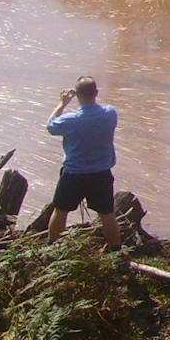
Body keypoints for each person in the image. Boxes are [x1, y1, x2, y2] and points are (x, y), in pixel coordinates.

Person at [46, 76, 121, 249]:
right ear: (96, 93)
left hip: (74, 173)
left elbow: (51, 126)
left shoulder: (71, 120)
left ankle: (52, 247)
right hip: (101, 173)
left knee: (60, 210)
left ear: (77, 95)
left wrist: (62, 104)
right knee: (107, 214)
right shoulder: (110, 114)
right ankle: (116, 250)